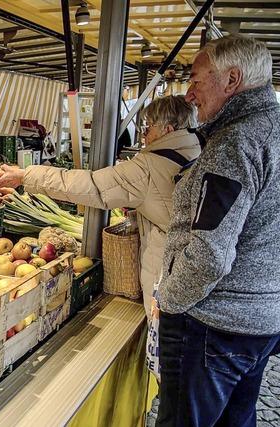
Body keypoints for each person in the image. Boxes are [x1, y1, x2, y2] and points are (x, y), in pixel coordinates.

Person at [154, 35, 280, 427]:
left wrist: (170, 299)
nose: (189, 95)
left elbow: (209, 254)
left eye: (195, 80)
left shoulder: (236, 142)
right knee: (236, 420)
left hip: (215, 326)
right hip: (261, 319)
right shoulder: (273, 128)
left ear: (232, 79)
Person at [0, 95, 201, 317]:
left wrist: (26, 175)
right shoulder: (198, 149)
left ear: (167, 129)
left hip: (167, 275)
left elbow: (91, 186)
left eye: (149, 128)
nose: (145, 135)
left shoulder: (150, 165)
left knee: (163, 340)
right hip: (190, 274)